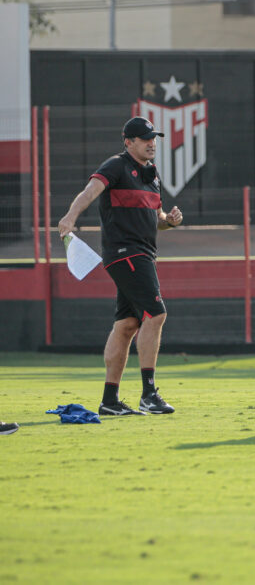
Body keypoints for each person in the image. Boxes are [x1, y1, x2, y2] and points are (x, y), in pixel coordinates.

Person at [57, 117, 183, 416]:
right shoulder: (115, 165)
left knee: (127, 325)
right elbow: (90, 191)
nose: (152, 142)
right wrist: (69, 218)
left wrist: (170, 221)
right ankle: (149, 394)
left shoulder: (152, 173)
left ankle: (109, 400)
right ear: (128, 142)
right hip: (126, 253)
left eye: (154, 137)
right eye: (145, 138)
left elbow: (156, 217)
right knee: (156, 314)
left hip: (141, 253)